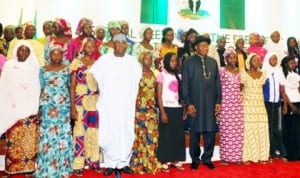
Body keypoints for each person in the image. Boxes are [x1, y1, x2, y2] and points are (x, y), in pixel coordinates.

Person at [90, 33, 141, 177]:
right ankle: (110, 163)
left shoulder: (133, 62)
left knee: (126, 131)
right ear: (113, 45)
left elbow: (137, 82)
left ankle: (124, 162)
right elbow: (94, 77)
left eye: (123, 43)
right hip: (109, 105)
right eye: (117, 43)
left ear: (127, 45)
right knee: (109, 132)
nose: (120, 45)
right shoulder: (104, 61)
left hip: (126, 104)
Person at [0, 40, 40, 177]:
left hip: (30, 108)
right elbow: (3, 85)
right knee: (12, 141)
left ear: (30, 53)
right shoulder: (9, 65)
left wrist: (36, 108)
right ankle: (10, 169)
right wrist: (7, 103)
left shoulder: (34, 67)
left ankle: (28, 168)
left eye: (26, 50)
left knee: (29, 141)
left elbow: (37, 89)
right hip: (13, 109)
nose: (23, 52)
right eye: (20, 50)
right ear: (16, 51)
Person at [182, 35, 221, 170]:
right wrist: (188, 103)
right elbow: (185, 84)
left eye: (206, 46)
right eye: (202, 46)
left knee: (210, 132)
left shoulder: (213, 62)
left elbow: (217, 83)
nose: (205, 48)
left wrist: (218, 101)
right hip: (195, 102)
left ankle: (207, 158)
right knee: (195, 133)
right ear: (196, 47)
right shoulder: (188, 62)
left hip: (210, 102)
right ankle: (195, 159)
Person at [34, 45, 73, 177]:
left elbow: (70, 88)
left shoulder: (67, 69)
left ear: (62, 55)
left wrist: (72, 107)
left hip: (63, 107)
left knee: (62, 134)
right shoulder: (42, 70)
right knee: (47, 135)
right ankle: (46, 168)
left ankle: (62, 168)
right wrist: (38, 107)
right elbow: (40, 88)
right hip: (47, 106)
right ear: (48, 55)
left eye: (58, 54)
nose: (56, 57)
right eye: (53, 54)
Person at [70, 38, 101, 176]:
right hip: (79, 102)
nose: (90, 48)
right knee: (79, 132)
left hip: (94, 101)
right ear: (82, 47)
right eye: (87, 46)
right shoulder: (76, 62)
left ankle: (94, 161)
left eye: (92, 46)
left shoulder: (98, 63)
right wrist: (72, 107)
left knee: (93, 132)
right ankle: (78, 164)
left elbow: (101, 86)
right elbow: (72, 86)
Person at [130, 51, 161, 175]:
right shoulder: (136, 73)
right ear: (141, 59)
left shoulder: (155, 73)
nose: (148, 60)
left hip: (152, 109)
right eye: (146, 58)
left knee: (152, 136)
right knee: (141, 137)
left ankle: (151, 163)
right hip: (139, 109)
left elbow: (158, 93)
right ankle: (140, 164)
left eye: (150, 58)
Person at [156, 52, 185, 173]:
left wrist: (184, 108)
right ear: (167, 61)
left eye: (176, 61)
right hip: (166, 108)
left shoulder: (179, 76)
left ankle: (175, 159)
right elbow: (158, 95)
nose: (174, 63)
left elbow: (181, 94)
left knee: (177, 135)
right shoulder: (161, 75)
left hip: (177, 108)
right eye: (172, 61)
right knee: (166, 135)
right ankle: (164, 160)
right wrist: (162, 112)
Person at [241, 53, 270, 164]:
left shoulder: (263, 74)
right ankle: (247, 156)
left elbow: (261, 89)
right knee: (249, 129)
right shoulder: (244, 73)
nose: (257, 62)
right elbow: (240, 89)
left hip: (260, 105)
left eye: (259, 60)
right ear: (249, 61)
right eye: (255, 60)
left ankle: (262, 156)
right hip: (248, 104)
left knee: (262, 128)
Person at [219, 48, 244, 165]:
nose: (232, 59)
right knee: (226, 130)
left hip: (237, 105)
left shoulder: (240, 71)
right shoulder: (221, 71)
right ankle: (225, 157)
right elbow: (217, 88)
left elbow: (241, 87)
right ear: (225, 58)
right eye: (229, 57)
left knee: (237, 131)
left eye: (234, 57)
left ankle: (237, 157)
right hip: (226, 104)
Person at [262, 52, 287, 161]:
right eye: (272, 59)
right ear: (268, 60)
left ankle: (278, 151)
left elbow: (282, 90)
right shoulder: (264, 72)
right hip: (266, 104)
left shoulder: (279, 71)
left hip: (277, 104)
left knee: (277, 128)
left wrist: (285, 104)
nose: (274, 61)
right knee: (268, 128)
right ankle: (269, 152)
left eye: (276, 59)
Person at [280, 56, 300, 161]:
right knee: (289, 130)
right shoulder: (282, 76)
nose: (293, 64)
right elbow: (283, 92)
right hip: (288, 104)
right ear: (286, 64)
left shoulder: (296, 75)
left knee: (297, 130)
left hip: (298, 103)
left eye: (294, 63)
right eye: (291, 63)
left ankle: (298, 154)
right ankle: (290, 154)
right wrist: (290, 105)